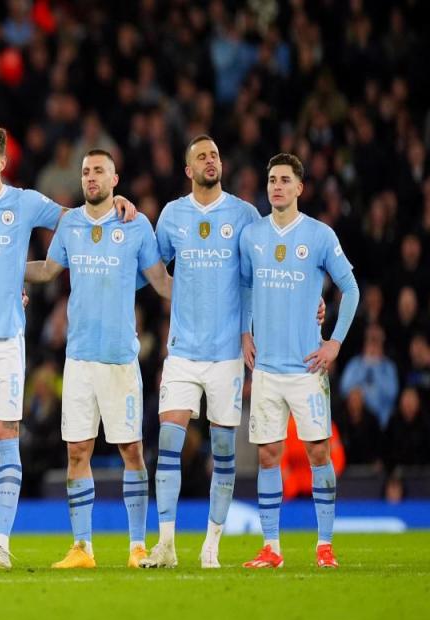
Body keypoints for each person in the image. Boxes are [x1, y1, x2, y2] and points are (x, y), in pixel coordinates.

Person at [0, 122, 135, 569]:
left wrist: (113, 202)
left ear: (3, 162)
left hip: (8, 338)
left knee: (7, 433)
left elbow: (75, 218)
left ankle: (3, 545)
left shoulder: (26, 203)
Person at [140, 135, 321, 569]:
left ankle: (211, 546)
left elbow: (268, 270)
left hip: (226, 354)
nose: (210, 160)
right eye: (202, 156)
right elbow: (154, 267)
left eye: (215, 154)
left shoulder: (243, 215)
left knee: (223, 451)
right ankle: (165, 543)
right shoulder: (171, 215)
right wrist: (173, 292)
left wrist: (309, 299)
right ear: (188, 170)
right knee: (168, 439)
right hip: (183, 350)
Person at [25, 149, 172, 569]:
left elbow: (162, 283)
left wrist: (211, 302)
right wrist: (4, 269)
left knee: (131, 451)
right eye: (86, 171)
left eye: (99, 172)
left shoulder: (135, 223)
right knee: (77, 452)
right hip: (79, 359)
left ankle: (137, 547)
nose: (90, 178)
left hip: (120, 360)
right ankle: (82, 548)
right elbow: (50, 271)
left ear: (114, 179)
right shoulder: (70, 223)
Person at [239, 153, 359, 569]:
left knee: (318, 452)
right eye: (272, 179)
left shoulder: (320, 236)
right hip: (267, 369)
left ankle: (324, 545)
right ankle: (271, 547)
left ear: (299, 188)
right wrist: (244, 333)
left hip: (308, 368)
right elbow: (243, 288)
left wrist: (335, 344)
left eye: (285, 180)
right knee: (268, 455)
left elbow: (352, 289)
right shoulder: (253, 235)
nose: (277, 186)